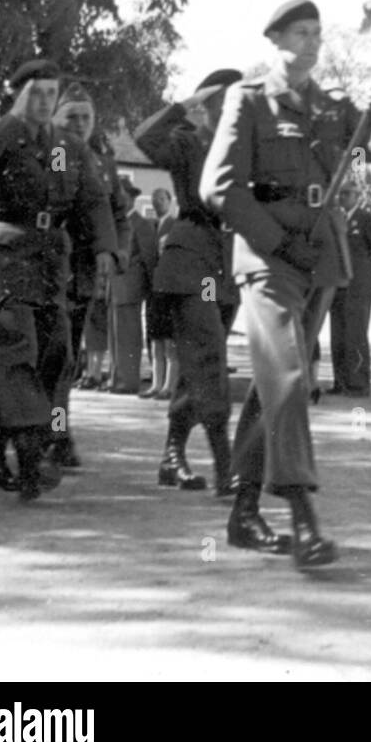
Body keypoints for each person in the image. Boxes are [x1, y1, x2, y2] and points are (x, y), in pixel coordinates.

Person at [200, 0, 371, 569]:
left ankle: (242, 512)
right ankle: (303, 514)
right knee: (289, 375)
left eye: (317, 33)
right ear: (277, 40)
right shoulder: (250, 100)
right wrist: (274, 239)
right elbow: (219, 188)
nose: (312, 42)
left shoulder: (334, 107)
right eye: (301, 33)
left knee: (275, 385)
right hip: (268, 256)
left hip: (322, 256)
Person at [0, 60, 117, 501]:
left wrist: (106, 248)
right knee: (19, 355)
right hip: (7, 255)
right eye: (35, 93)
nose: (44, 102)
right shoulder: (2, 135)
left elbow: (90, 199)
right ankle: (32, 462)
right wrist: (15, 117)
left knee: (54, 357)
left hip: (50, 260)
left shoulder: (63, 147)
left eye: (50, 94)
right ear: (19, 96)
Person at [133, 70, 242, 496]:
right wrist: (185, 103)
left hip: (225, 267)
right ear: (210, 104)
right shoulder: (187, 140)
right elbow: (144, 138)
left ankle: (171, 455)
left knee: (199, 361)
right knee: (209, 356)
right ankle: (225, 464)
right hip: (191, 257)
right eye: (226, 100)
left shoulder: (245, 146)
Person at [50, 84, 130, 466]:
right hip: (49, 269)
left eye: (86, 117)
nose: (79, 124)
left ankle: (58, 432)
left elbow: (119, 215)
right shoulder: (58, 154)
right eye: (71, 117)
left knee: (67, 360)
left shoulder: (104, 163)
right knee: (52, 357)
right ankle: (48, 433)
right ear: (55, 118)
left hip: (82, 274)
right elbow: (59, 198)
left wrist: (115, 251)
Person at [326, 184, 371, 397]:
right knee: (338, 334)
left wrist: (369, 276)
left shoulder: (366, 219)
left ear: (357, 196)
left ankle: (358, 384)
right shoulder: (335, 219)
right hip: (337, 285)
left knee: (356, 333)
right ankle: (340, 382)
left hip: (358, 286)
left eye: (347, 193)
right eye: (340, 193)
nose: (342, 197)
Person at [107, 178, 156, 394]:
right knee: (115, 337)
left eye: (123, 196)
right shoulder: (118, 225)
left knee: (128, 338)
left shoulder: (141, 224)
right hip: (115, 288)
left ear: (132, 198)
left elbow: (149, 258)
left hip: (130, 289)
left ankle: (128, 382)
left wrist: (151, 289)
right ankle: (116, 379)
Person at [144, 187, 179, 398]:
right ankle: (157, 385)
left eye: (161, 198)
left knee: (169, 341)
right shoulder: (153, 225)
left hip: (169, 288)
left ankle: (169, 386)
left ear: (169, 200)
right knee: (155, 338)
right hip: (155, 288)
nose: (157, 202)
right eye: (154, 199)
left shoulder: (174, 224)